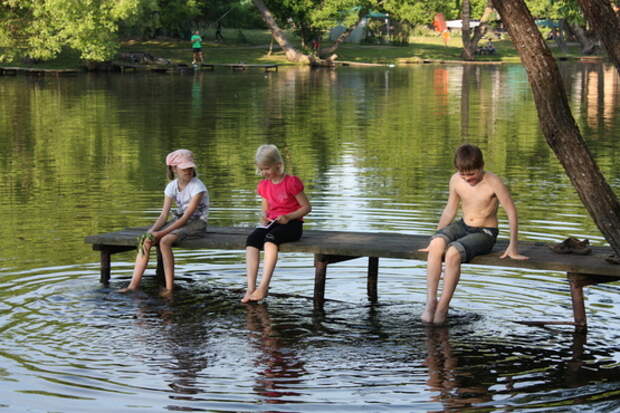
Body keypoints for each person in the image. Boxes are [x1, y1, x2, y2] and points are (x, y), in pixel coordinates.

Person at [418, 144, 527, 324]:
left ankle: (443, 306)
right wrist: (436, 234)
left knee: (453, 252)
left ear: (481, 166)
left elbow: (511, 211)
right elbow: (449, 210)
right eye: (464, 174)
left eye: (472, 174)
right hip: (463, 225)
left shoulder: (493, 181)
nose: (468, 178)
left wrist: (513, 246)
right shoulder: (455, 180)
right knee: (437, 244)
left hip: (485, 232)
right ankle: (430, 301)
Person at [119, 149, 209, 297]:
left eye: (190, 167)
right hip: (179, 220)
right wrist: (151, 231)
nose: (188, 170)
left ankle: (169, 288)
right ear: (174, 169)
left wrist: (160, 233)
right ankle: (133, 285)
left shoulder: (197, 187)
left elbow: (186, 218)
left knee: (164, 241)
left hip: (196, 223)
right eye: (184, 168)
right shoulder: (171, 187)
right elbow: (163, 215)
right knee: (146, 241)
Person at [242, 144, 311, 303]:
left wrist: (289, 216)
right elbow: (265, 207)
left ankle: (264, 286)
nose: (263, 173)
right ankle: (251, 287)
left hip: (292, 224)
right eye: (261, 169)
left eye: (266, 168)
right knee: (252, 241)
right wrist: (263, 218)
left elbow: (307, 207)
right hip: (273, 223)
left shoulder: (291, 182)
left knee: (270, 240)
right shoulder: (264, 185)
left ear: (278, 165)